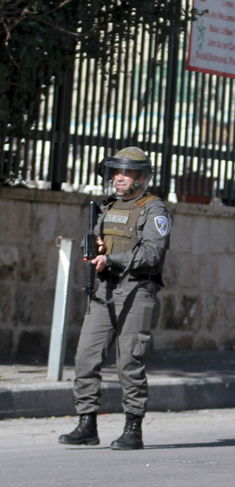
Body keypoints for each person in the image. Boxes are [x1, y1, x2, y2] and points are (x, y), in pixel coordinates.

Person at [58, 147, 172, 450]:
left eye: (126, 172)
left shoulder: (153, 209)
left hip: (136, 290)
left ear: (142, 177)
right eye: (116, 172)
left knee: (129, 361)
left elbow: (152, 253)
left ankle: (133, 428)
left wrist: (113, 261)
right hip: (104, 290)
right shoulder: (108, 208)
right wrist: (96, 248)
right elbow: (99, 241)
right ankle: (87, 423)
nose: (119, 178)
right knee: (85, 357)